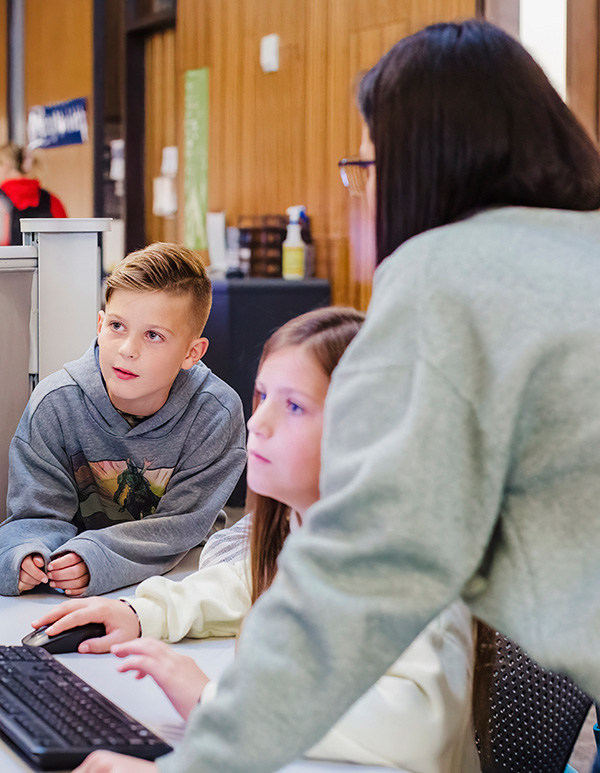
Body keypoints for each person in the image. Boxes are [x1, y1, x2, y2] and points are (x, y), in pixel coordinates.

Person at [72, 18, 600, 773]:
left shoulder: (445, 280)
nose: (368, 190)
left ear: (426, 163)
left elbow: (350, 586)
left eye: (371, 163)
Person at [38, 306, 479, 772]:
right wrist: (141, 612)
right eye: (263, 395)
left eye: (293, 406)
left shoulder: (412, 557)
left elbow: (414, 728)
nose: (258, 423)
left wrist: (219, 704)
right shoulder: (310, 526)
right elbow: (252, 580)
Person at [0, 242, 246, 597]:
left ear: (192, 353)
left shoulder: (215, 414)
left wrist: (98, 557)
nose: (128, 349)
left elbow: (181, 525)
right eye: (117, 326)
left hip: (179, 580)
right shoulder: (55, 404)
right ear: (100, 324)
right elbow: (36, 515)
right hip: (68, 582)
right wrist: (24, 557)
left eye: (153, 335)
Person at [0, 143, 67, 245]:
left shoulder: (2, 201)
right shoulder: (51, 201)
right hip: (48, 260)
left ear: (6, 165)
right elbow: (66, 240)